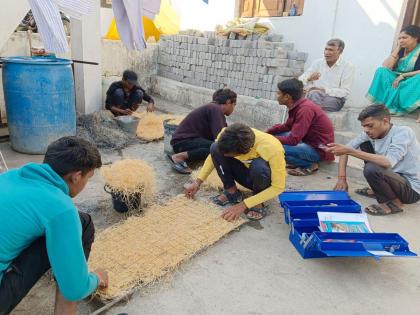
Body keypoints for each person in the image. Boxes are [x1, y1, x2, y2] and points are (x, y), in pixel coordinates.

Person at [0, 137, 108, 314]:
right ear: (76, 177)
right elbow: (76, 289)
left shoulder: (9, 176)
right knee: (83, 223)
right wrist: (97, 278)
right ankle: (65, 311)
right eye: (88, 178)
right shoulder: (61, 208)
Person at [328, 104, 420, 216]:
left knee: (372, 168)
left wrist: (351, 151)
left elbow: (387, 162)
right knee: (365, 146)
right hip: (393, 179)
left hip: (410, 190)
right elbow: (344, 151)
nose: (366, 130)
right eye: (364, 126)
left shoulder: (403, 132)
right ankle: (382, 190)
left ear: (385, 121)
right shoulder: (370, 134)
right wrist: (342, 179)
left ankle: (393, 203)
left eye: (370, 126)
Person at [184, 123, 286, 221]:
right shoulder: (227, 134)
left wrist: (243, 205)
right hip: (246, 175)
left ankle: (257, 201)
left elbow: (278, 187)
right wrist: (198, 182)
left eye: (230, 155)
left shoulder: (272, 148)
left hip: (262, 179)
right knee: (215, 147)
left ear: (246, 151)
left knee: (259, 166)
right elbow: (213, 156)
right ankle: (232, 192)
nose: (226, 157)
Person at [267, 79, 335, 176]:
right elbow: (287, 126)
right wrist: (268, 132)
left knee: (274, 148)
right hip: (306, 142)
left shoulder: (305, 109)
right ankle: (298, 160)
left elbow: (294, 140)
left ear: (287, 97)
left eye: (278, 93)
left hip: (318, 149)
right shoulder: (297, 105)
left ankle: (309, 164)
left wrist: (269, 139)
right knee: (274, 136)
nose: (277, 96)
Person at [168, 88, 237, 174]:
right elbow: (221, 137)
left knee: (217, 147)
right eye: (234, 104)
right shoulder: (215, 109)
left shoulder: (214, 109)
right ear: (228, 102)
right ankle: (179, 157)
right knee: (218, 148)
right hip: (182, 142)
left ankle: (188, 157)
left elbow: (225, 132)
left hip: (183, 142)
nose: (234, 108)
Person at [367, 25, 420, 120]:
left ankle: (402, 105)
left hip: (412, 80)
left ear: (415, 38)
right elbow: (386, 66)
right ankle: (382, 105)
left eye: (404, 38)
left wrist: (404, 75)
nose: (401, 40)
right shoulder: (401, 50)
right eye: (399, 38)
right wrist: (398, 49)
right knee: (381, 71)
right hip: (396, 77)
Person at [299, 38, 354, 112]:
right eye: (326, 49)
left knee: (309, 104)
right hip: (314, 95)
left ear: (340, 52)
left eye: (330, 50)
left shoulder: (348, 67)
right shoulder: (318, 63)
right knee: (313, 95)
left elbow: (345, 91)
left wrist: (324, 90)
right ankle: (314, 113)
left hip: (334, 98)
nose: (326, 52)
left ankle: (312, 111)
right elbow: (300, 80)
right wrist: (309, 78)